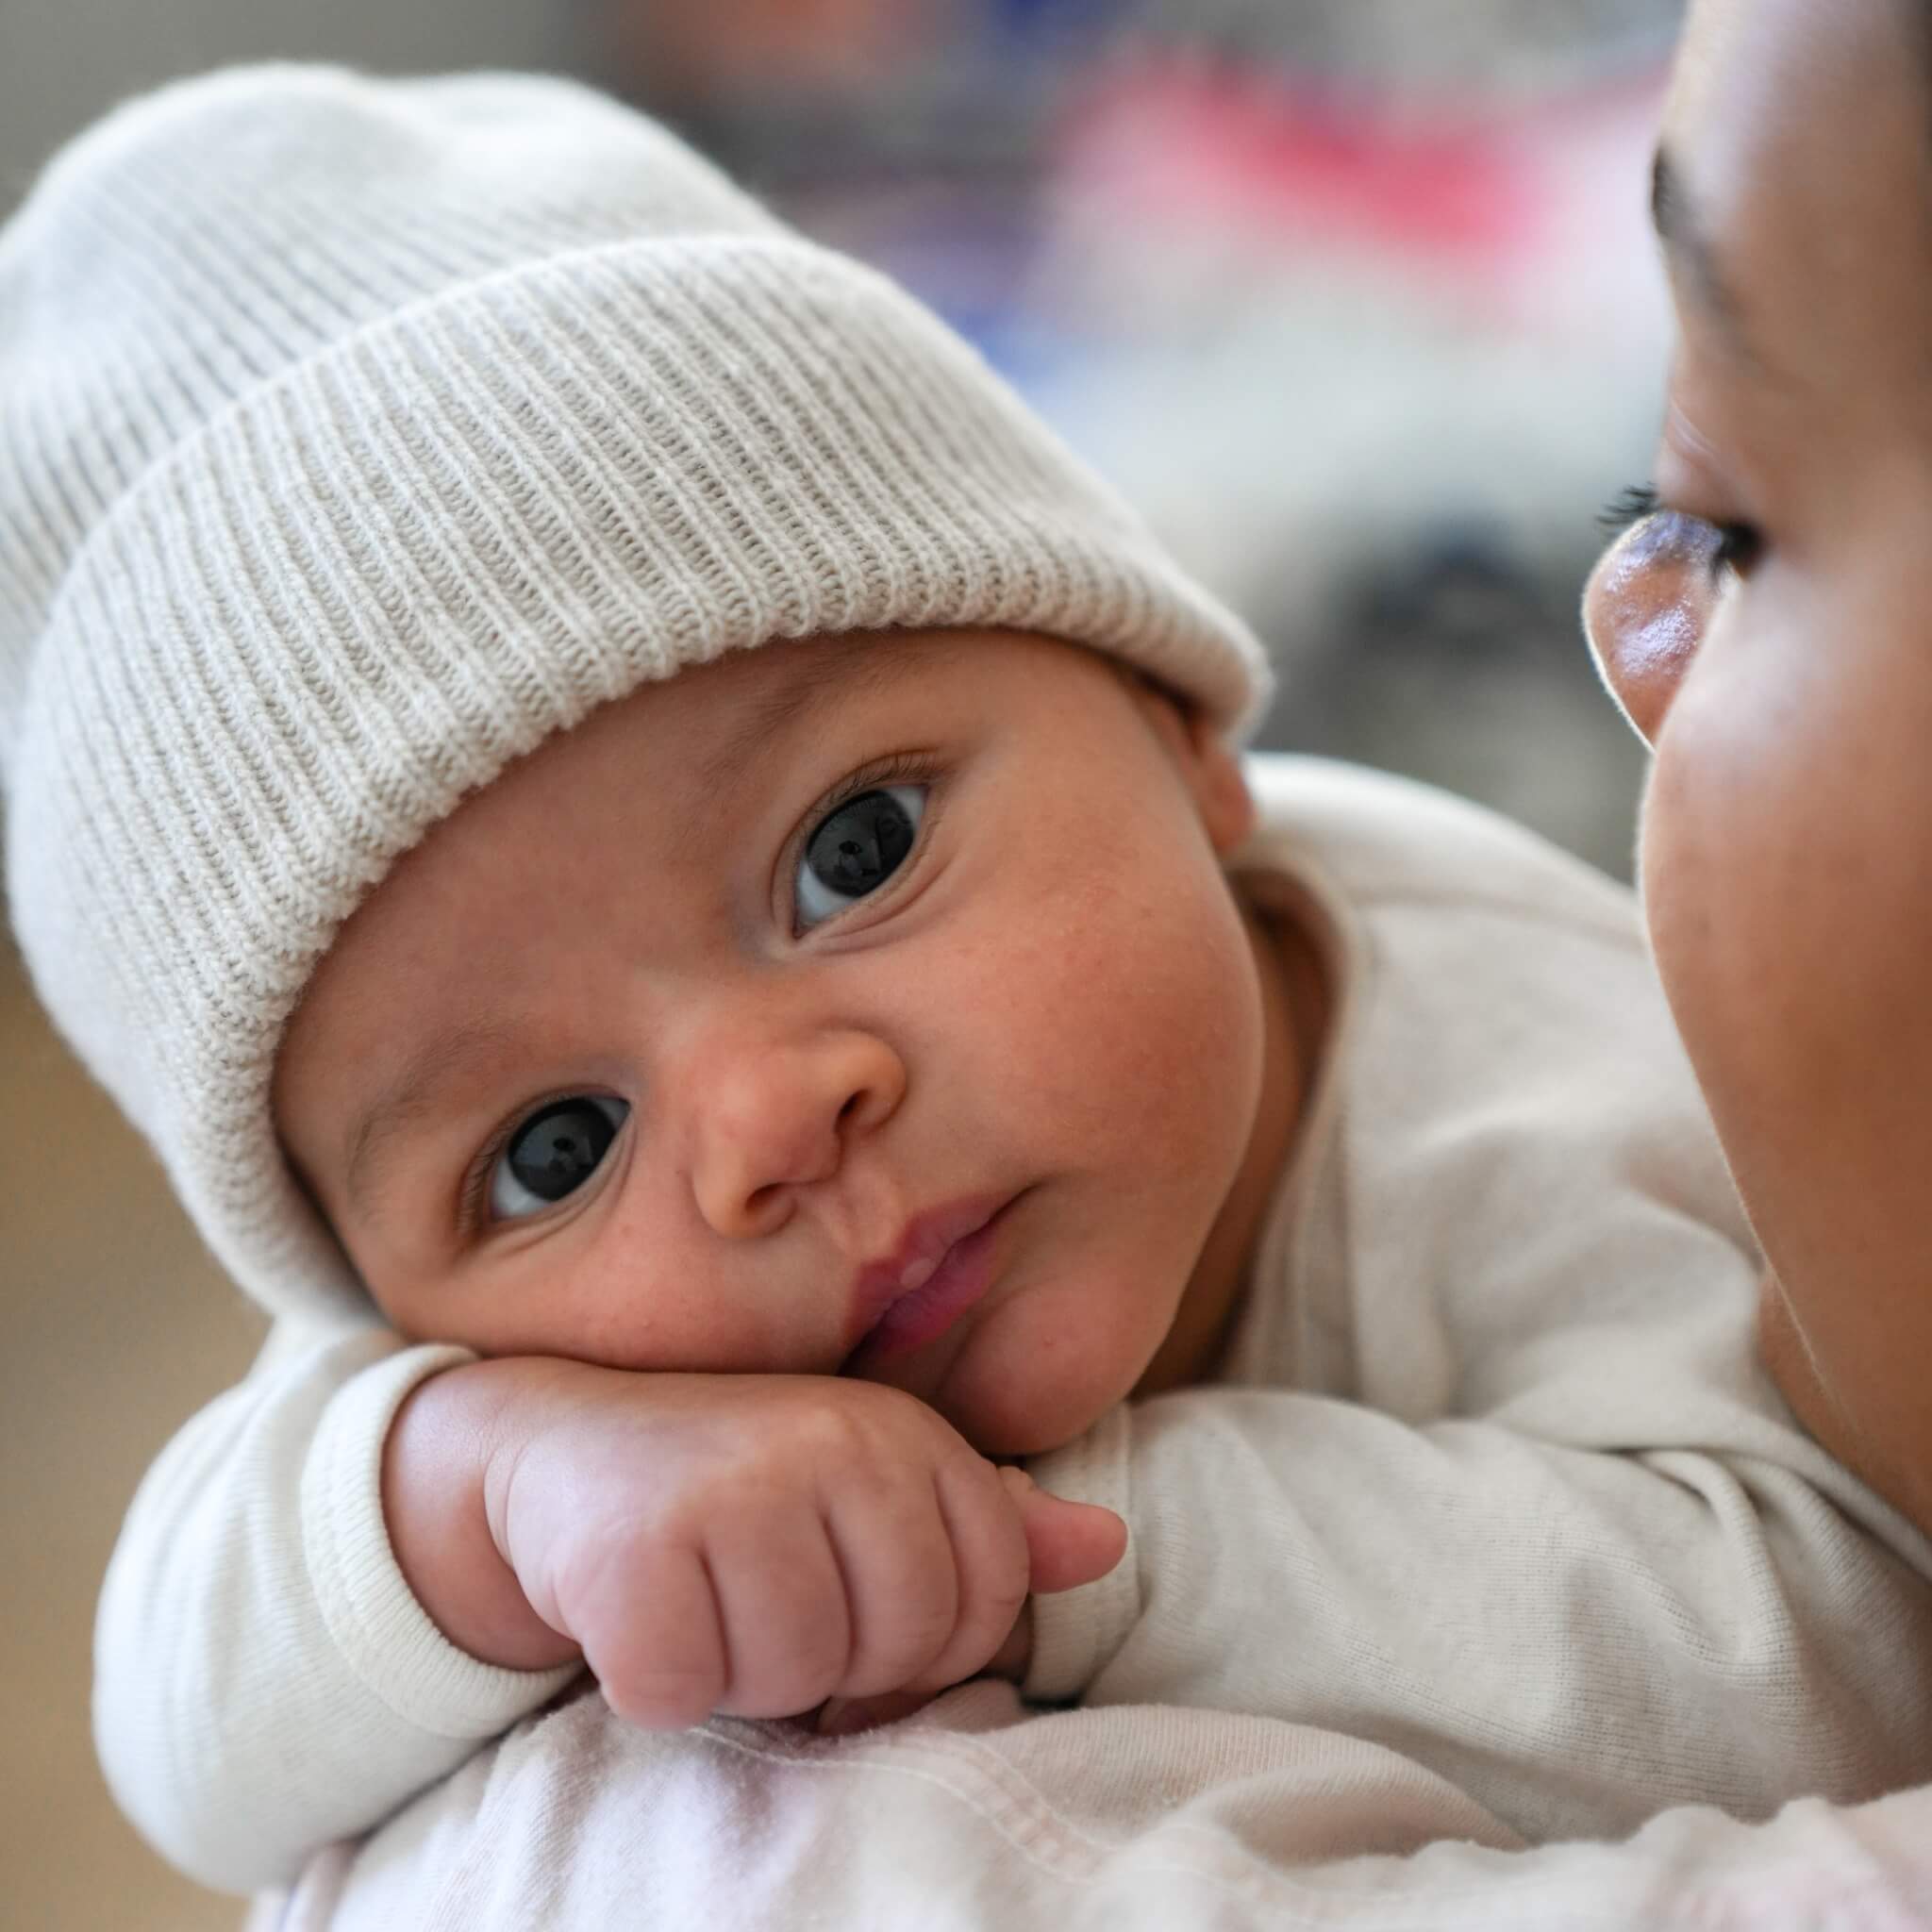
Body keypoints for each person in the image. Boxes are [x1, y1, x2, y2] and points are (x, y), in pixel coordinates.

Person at [0, 21, 1927, 1925]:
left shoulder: (1533, 1084)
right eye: (557, 1146)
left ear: (1181, 731)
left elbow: (1838, 1642)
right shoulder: (520, 1361)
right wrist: (482, 1496)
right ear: (364, 1267)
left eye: (854, 852)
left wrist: (1043, 1553)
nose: (770, 1115)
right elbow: (185, 1734)